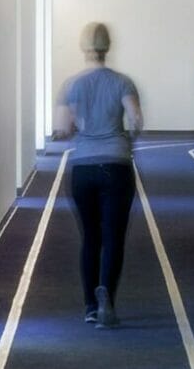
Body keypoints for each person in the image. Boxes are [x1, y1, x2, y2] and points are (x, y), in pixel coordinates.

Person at [53, 22, 142, 330]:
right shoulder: (123, 82)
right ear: (108, 46)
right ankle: (108, 297)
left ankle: (90, 306)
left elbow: (63, 129)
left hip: (83, 168)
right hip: (117, 165)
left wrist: (78, 125)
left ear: (84, 47)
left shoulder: (71, 85)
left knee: (90, 238)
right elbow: (136, 119)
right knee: (114, 237)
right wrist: (127, 135)